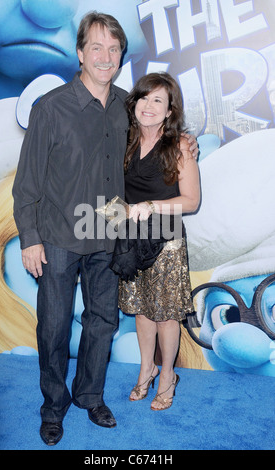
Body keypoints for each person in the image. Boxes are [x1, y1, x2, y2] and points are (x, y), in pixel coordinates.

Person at [12, 12, 198, 445]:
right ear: (80, 53)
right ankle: (53, 407)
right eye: (96, 47)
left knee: (103, 322)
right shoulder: (50, 108)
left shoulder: (125, 108)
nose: (105, 56)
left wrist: (186, 142)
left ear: (119, 59)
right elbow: (28, 183)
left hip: (109, 236)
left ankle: (90, 395)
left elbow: (159, 132)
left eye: (114, 49)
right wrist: (30, 238)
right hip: (57, 237)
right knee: (54, 327)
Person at [118, 72, 201, 411]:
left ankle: (167, 375)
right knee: (140, 312)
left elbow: (191, 201)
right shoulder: (123, 140)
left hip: (167, 243)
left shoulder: (180, 144)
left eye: (158, 100)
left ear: (169, 111)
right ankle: (146, 368)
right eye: (143, 98)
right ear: (133, 102)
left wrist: (153, 206)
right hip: (132, 242)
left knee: (167, 315)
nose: (148, 106)